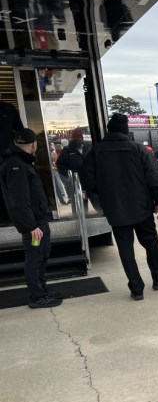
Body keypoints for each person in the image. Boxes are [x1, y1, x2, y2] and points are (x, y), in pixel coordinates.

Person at [83, 113, 158, 301]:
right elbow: (154, 177)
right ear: (126, 130)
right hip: (142, 207)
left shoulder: (96, 152)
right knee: (151, 243)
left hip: (116, 210)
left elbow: (87, 180)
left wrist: (105, 195)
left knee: (125, 249)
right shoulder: (138, 149)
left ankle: (136, 289)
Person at [0, 128, 62, 308]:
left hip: (38, 221)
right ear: (33, 144)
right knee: (35, 258)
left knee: (42, 255)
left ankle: (42, 290)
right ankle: (36, 296)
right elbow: (19, 201)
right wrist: (30, 226)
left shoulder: (22, 162)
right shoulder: (16, 165)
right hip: (33, 225)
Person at [58, 130, 101, 212]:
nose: (77, 140)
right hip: (77, 183)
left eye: (79, 138)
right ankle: (84, 219)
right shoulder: (67, 150)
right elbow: (60, 165)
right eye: (75, 138)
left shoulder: (89, 147)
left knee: (98, 205)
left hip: (91, 181)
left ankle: (103, 216)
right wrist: (69, 176)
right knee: (82, 208)